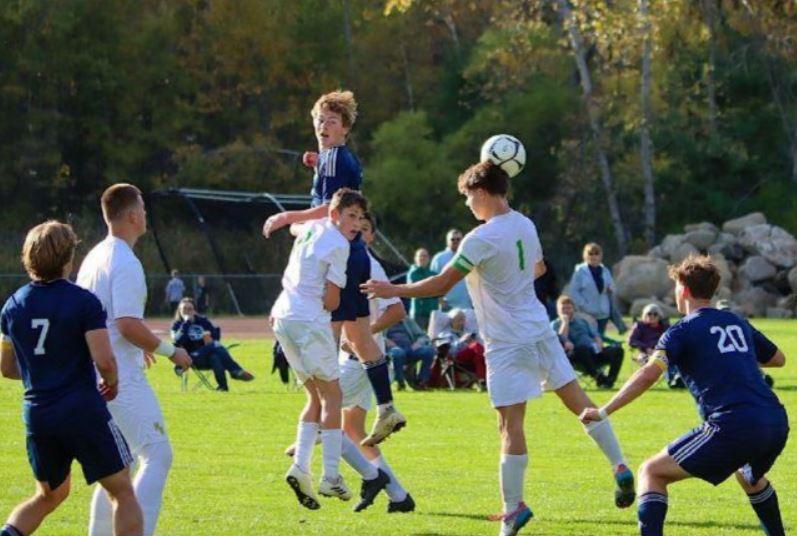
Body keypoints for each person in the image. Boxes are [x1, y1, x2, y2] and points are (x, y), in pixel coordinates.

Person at [363, 161, 634, 536]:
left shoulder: (480, 238)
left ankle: (513, 510)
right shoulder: (525, 223)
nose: (467, 205)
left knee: (509, 425)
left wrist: (394, 289)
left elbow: (441, 284)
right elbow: (538, 270)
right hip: (539, 328)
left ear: (484, 192)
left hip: (507, 342)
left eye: (469, 197)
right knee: (579, 401)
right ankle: (619, 464)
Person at [580, 255, 789, 536]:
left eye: (676, 287)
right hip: (775, 421)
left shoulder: (680, 330)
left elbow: (648, 374)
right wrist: (730, 357)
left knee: (651, 472)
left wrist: (603, 411)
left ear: (685, 290)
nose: (674, 293)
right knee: (749, 476)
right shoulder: (735, 321)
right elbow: (778, 359)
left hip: (732, 424)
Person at [262, 90, 405, 447]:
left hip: (339, 252)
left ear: (345, 129)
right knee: (357, 337)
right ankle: (386, 407)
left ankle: (320, 425)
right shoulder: (335, 158)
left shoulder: (333, 158)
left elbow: (329, 207)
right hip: (352, 249)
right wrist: (317, 163)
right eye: (318, 121)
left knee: (329, 330)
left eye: (331, 121)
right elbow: (340, 192)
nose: (322, 126)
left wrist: (287, 217)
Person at [0, 221, 143, 536]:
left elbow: (7, 368)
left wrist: (45, 370)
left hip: (38, 415)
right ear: (68, 258)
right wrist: (113, 380)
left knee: (49, 495)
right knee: (122, 491)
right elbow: (104, 360)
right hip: (81, 410)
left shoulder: (12, 306)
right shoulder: (83, 302)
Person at [77, 183, 193, 536]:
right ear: (131, 215)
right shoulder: (125, 261)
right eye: (142, 207)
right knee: (158, 454)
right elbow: (126, 324)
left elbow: (108, 319)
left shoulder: (95, 255)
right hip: (119, 377)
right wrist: (172, 351)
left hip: (94, 373)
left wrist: (138, 341)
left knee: (117, 467)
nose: (145, 214)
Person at [271, 188, 366, 509]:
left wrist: (288, 218)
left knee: (315, 396)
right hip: (310, 321)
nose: (356, 223)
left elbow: (297, 227)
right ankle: (331, 477)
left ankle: (300, 468)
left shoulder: (314, 226)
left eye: (360, 218)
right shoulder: (340, 246)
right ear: (335, 214)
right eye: (350, 215)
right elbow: (332, 300)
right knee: (334, 396)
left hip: (283, 316)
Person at [171, 298, 254, 391]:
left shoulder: (202, 321)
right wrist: (186, 323)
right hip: (189, 358)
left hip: (205, 358)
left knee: (215, 357)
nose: (187, 311)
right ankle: (235, 371)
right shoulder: (177, 325)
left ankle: (223, 388)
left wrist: (209, 338)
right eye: (184, 309)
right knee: (215, 345)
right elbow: (176, 341)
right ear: (180, 311)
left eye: (190, 309)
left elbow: (216, 336)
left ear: (194, 310)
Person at [551, 295, 623, 388]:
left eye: (569, 308)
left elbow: (596, 335)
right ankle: (599, 378)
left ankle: (609, 381)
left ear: (573, 309)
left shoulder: (582, 322)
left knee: (617, 350)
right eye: (563, 309)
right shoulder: (555, 324)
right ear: (558, 311)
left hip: (594, 352)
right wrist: (565, 322)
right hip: (575, 356)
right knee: (582, 349)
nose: (566, 311)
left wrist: (599, 343)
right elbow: (561, 339)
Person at [568, 243, 621, 336]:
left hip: (603, 313)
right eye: (590, 253)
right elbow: (573, 291)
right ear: (585, 255)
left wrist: (611, 288)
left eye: (596, 253)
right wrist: (583, 304)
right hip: (587, 314)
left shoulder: (605, 270)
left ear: (600, 255)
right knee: (591, 339)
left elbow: (612, 286)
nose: (593, 256)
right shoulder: (580, 271)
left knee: (600, 339)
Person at [438, 308, 486, 387]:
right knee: (476, 346)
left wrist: (471, 340)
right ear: (452, 321)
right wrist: (462, 341)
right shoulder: (446, 334)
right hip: (456, 357)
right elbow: (451, 351)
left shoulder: (467, 331)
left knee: (478, 357)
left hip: (472, 356)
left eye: (463, 320)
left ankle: (482, 381)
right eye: (459, 320)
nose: (462, 322)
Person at [385, 317, 436, 391]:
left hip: (410, 348)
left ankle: (421, 381)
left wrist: (418, 343)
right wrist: (386, 340)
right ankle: (400, 382)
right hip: (393, 349)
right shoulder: (382, 322)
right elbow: (376, 335)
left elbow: (422, 335)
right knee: (398, 353)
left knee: (428, 351)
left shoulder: (407, 320)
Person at [430, 229, 472, 311]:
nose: (455, 241)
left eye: (458, 239)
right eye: (452, 239)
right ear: (447, 242)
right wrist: (440, 300)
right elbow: (433, 281)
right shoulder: (439, 258)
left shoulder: (469, 256)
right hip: (446, 307)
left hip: (467, 306)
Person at [406, 248, 438, 331]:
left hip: (432, 311)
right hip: (418, 312)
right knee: (418, 335)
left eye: (425, 256)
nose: (423, 258)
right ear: (415, 258)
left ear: (429, 259)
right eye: (420, 256)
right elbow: (415, 289)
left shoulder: (433, 274)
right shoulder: (412, 273)